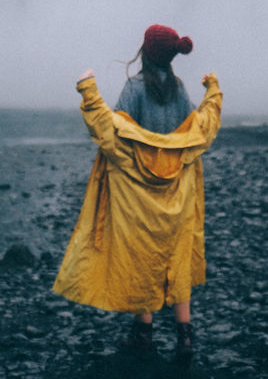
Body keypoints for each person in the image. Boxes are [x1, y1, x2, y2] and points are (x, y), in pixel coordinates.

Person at [53, 24, 222, 364]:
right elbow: (197, 130)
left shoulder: (134, 89)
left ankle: (144, 332)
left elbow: (113, 136)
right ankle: (184, 334)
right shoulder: (180, 89)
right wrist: (213, 89)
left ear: (144, 52)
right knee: (177, 258)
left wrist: (89, 92)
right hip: (177, 194)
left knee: (142, 255)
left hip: (138, 197)